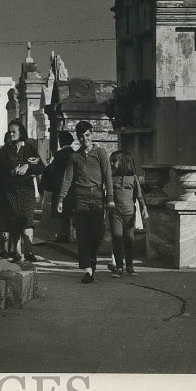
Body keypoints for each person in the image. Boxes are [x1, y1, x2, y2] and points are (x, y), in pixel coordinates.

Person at [57, 120, 113, 284]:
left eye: (87, 135)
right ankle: (88, 269)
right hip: (80, 198)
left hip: (97, 198)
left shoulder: (101, 153)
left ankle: (92, 259)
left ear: (92, 134)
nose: (85, 139)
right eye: (81, 136)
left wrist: (110, 198)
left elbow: (108, 176)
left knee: (98, 234)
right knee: (82, 234)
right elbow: (68, 179)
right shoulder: (74, 156)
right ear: (77, 137)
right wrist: (61, 198)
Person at [0, 120, 46, 262]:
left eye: (14, 131)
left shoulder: (29, 149)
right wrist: (11, 171)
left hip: (26, 191)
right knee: (14, 221)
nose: (11, 134)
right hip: (10, 192)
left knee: (27, 220)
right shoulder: (4, 151)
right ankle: (16, 253)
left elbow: (41, 167)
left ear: (21, 132)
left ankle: (29, 252)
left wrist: (27, 166)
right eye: (10, 131)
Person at [107, 150, 148, 276]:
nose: (112, 164)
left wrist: (144, 208)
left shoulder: (133, 178)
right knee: (117, 238)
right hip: (115, 213)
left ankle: (130, 266)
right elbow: (108, 194)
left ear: (124, 162)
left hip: (130, 213)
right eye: (111, 162)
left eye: (114, 161)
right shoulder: (111, 178)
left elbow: (139, 195)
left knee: (129, 240)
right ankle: (119, 267)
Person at [40, 130, 79, 243]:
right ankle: (71, 235)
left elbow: (51, 170)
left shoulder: (60, 154)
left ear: (61, 141)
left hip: (60, 185)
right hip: (72, 186)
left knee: (61, 212)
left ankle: (62, 235)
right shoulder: (73, 153)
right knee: (69, 211)